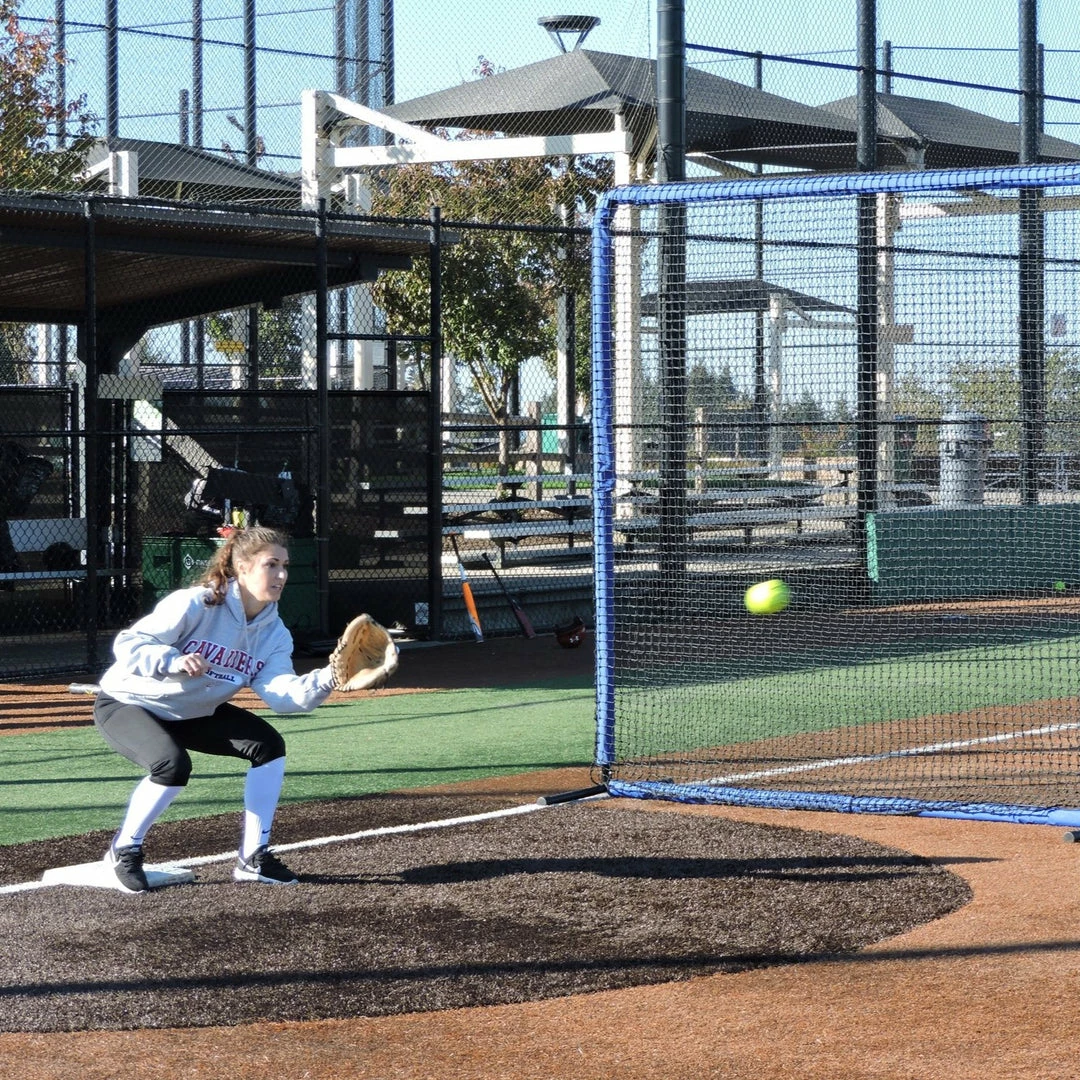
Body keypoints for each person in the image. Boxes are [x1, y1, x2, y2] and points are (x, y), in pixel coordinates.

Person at [93, 525, 337, 893]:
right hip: (129, 703)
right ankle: (124, 849)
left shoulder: (274, 633)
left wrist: (328, 678)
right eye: (271, 565)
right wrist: (171, 660)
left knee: (267, 746)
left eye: (285, 565)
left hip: (193, 712)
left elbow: (282, 695)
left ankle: (254, 857)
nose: (282, 575)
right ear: (241, 566)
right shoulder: (196, 603)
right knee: (171, 765)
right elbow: (130, 643)